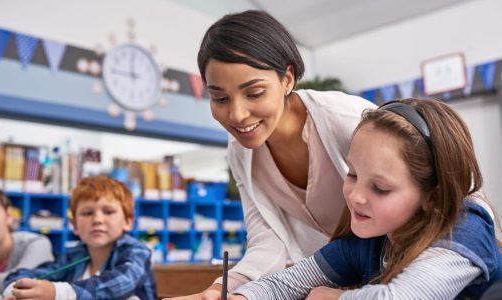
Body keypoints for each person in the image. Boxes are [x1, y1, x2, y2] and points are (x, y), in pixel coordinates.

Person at [170, 9, 376, 300]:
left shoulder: (349, 121)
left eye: (254, 93)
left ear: (287, 79)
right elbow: (269, 243)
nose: (238, 115)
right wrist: (220, 290)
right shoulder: (240, 153)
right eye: (220, 98)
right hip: (327, 285)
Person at [227, 98, 502, 299]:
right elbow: (282, 286)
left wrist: (333, 298)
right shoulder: (366, 241)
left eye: (381, 188)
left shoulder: (465, 228)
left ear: (433, 196)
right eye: (353, 174)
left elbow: (401, 298)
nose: (356, 197)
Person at [2, 175, 157, 300]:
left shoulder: (137, 251)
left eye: (108, 212)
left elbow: (122, 281)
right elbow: (24, 274)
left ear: (128, 221)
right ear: (74, 224)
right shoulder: (74, 255)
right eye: (87, 213)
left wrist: (58, 292)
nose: (97, 219)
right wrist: (17, 290)